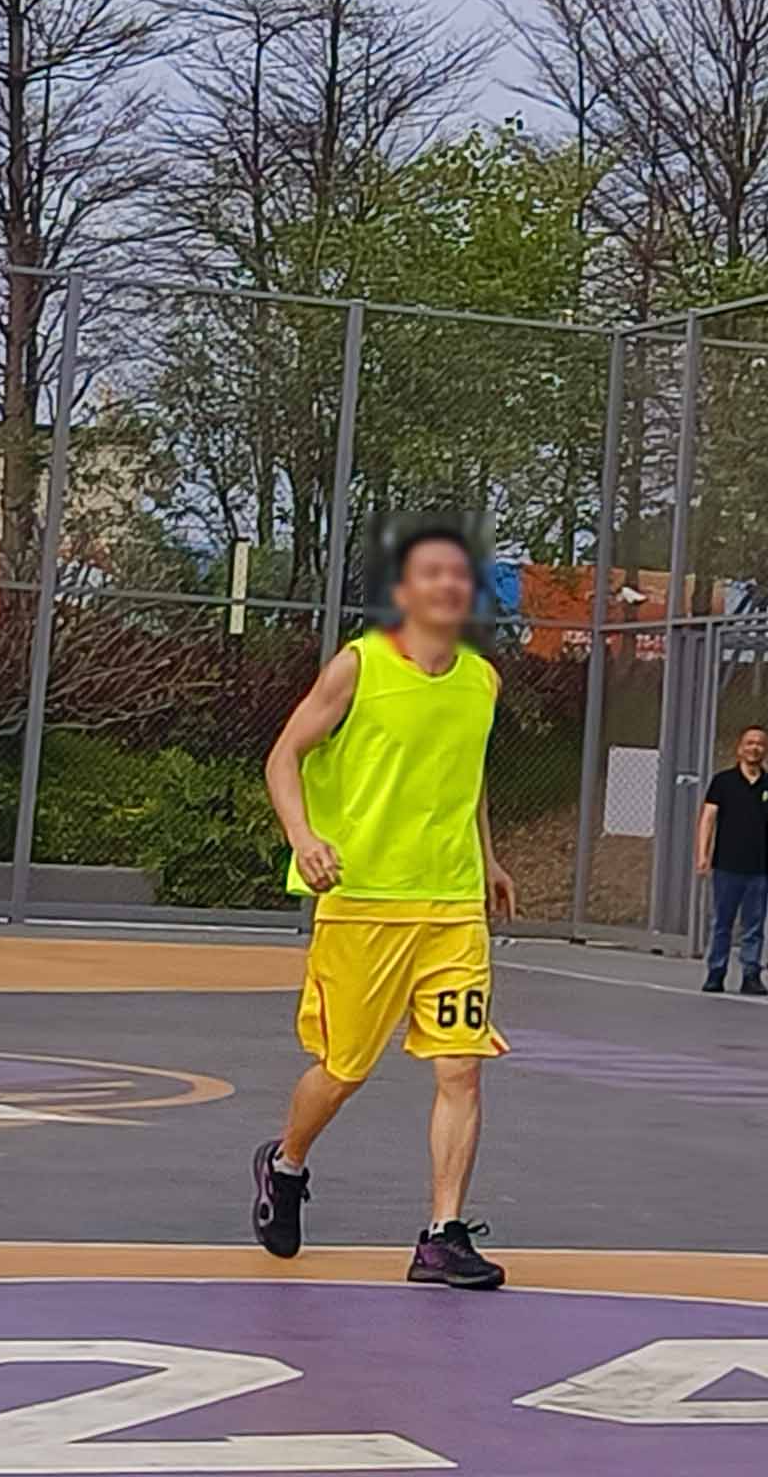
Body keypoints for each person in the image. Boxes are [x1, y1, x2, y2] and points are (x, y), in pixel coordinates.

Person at [255, 523, 518, 1291]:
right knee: (343, 1070)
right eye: (431, 573)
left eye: (459, 575)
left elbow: (466, 777)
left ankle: (442, 1235)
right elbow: (283, 756)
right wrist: (303, 837)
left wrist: (487, 857)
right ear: (404, 592)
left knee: (462, 1068)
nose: (448, 585)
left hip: (453, 907)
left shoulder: (481, 680)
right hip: (363, 902)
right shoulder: (359, 667)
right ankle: (286, 1163)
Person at [694, 722, 768, 996]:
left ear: (766, 750)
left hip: (757, 868)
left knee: (754, 925)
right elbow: (708, 818)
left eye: (760, 744)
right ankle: (716, 972)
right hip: (726, 865)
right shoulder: (723, 782)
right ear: (739, 748)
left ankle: (751, 974)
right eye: (750, 743)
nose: (754, 748)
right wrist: (702, 853)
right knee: (722, 922)